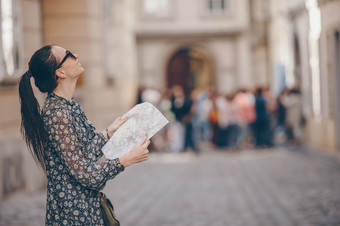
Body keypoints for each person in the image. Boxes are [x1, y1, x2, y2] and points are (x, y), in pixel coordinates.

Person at [18, 45, 150, 225]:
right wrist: (126, 160)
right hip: (72, 214)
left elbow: (85, 154)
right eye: (69, 55)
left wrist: (108, 131)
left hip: (87, 207)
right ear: (61, 72)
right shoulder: (57, 114)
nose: (76, 55)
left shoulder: (69, 106)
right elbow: (84, 173)